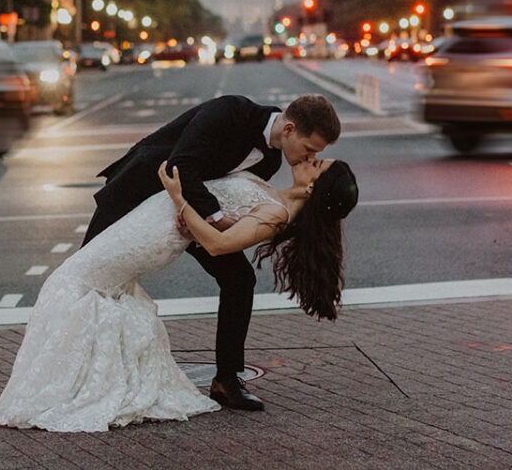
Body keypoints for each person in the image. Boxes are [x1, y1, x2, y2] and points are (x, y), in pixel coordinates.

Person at [0, 156, 359, 432]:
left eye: (317, 164)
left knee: (72, 280)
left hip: (158, 227)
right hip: (156, 217)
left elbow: (217, 246)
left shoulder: (278, 214)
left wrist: (180, 199)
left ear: (314, 188)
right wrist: (201, 217)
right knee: (85, 281)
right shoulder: (275, 200)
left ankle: (64, 388)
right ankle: (88, 374)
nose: (310, 158)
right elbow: (228, 224)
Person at [79, 93, 341, 410]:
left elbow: (228, 187)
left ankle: (226, 381)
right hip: (139, 194)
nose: (308, 158)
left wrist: (200, 220)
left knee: (240, 279)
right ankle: (81, 377)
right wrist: (214, 218)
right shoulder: (231, 111)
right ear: (289, 129)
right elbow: (180, 164)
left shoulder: (271, 159)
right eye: (309, 148)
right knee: (86, 282)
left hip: (188, 211)